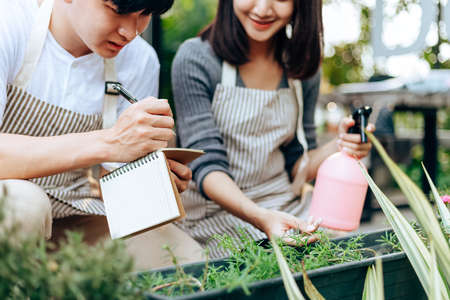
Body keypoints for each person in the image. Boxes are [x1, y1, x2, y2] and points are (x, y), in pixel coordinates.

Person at [0, 0, 203, 270]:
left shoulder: (139, 59)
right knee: (24, 205)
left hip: (73, 215)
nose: (131, 32)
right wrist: (111, 142)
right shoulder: (10, 23)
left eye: (145, 15)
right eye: (118, 10)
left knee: (183, 257)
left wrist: (155, 179)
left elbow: (118, 197)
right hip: (13, 208)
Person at [172, 0, 375, 258]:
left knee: (347, 252)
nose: (263, 8)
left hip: (283, 204)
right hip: (215, 213)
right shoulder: (196, 58)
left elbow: (298, 165)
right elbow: (205, 165)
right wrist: (260, 218)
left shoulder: (301, 67)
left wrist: (342, 144)